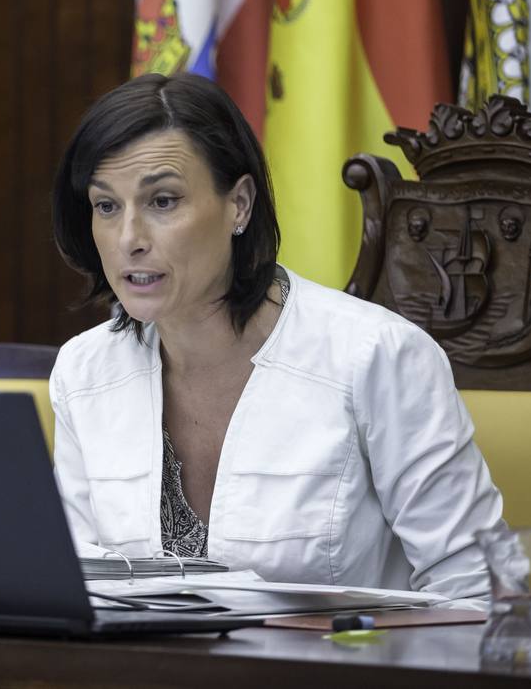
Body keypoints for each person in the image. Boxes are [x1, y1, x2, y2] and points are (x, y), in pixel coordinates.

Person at [48, 71, 504, 600]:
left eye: (163, 201)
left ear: (238, 205)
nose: (129, 239)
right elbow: (77, 585)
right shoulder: (83, 372)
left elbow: (479, 591)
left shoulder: (376, 356)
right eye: (106, 206)